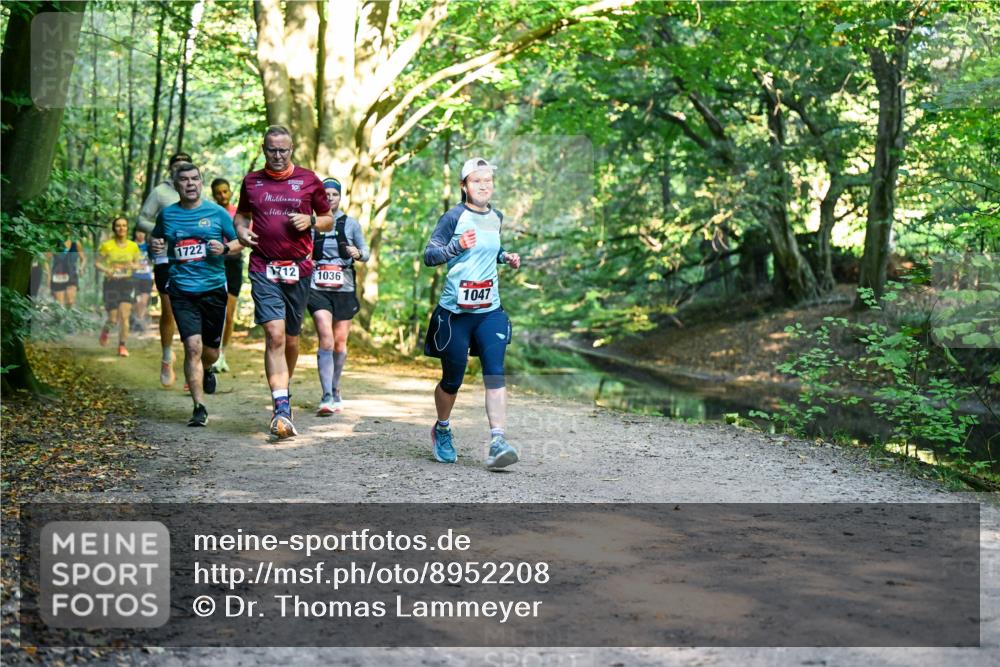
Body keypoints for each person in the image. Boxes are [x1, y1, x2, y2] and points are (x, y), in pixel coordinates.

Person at [423, 157, 522, 470]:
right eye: (477, 181)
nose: (484, 186)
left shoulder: (496, 216)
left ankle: (498, 441)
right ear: (464, 185)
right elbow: (430, 255)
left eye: (488, 180)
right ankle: (442, 428)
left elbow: (491, 250)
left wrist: (506, 257)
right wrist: (456, 247)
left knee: (495, 372)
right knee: (452, 380)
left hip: (489, 310)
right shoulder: (454, 217)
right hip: (455, 314)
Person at [234, 125, 332, 438]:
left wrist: (311, 220)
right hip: (263, 266)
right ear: (264, 150)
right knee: (274, 335)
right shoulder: (252, 181)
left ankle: (283, 389)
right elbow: (241, 215)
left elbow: (328, 219)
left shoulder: (309, 180)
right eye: (272, 150)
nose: (277, 156)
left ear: (291, 150)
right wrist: (241, 230)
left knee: (290, 339)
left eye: (283, 150)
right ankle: (281, 407)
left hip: (299, 269)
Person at [151, 163, 241, 427]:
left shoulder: (217, 213)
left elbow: (239, 242)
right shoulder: (167, 215)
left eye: (194, 179)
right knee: (192, 347)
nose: (190, 183)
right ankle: (199, 407)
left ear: (201, 183)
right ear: (176, 184)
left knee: (210, 353)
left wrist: (224, 249)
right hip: (182, 290)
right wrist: (156, 245)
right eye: (184, 179)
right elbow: (156, 241)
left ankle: (209, 368)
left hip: (213, 289)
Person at [308, 177, 369, 415]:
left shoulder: (351, 224)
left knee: (340, 342)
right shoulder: (312, 223)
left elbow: (365, 253)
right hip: (317, 287)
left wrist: (357, 253)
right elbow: (302, 250)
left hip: (344, 288)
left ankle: (335, 389)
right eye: (326, 195)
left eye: (334, 194)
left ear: (340, 197)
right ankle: (325, 396)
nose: (330, 198)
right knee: (326, 339)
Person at [138, 151, 192, 387]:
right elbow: (142, 220)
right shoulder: (160, 192)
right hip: (165, 257)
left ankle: (193, 366)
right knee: (169, 310)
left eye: (185, 165)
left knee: (192, 311)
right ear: (171, 169)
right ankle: (167, 356)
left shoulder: (197, 191)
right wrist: (161, 231)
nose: (180, 169)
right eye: (176, 166)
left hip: (192, 258)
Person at [96, 216, 142, 357]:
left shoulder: (133, 246)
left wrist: (133, 265)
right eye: (118, 225)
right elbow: (97, 263)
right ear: (114, 228)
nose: (121, 228)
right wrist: (107, 270)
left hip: (127, 283)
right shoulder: (107, 245)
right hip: (111, 283)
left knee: (124, 316)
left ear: (127, 228)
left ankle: (122, 346)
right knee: (113, 318)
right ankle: (106, 330)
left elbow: (138, 264)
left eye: (124, 225)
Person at [210, 177, 241, 373]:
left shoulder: (239, 213)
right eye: (218, 193)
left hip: (233, 264)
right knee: (215, 313)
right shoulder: (210, 213)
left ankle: (222, 355)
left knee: (229, 315)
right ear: (214, 195)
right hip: (213, 264)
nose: (222, 195)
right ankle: (210, 353)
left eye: (225, 191)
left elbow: (244, 240)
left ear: (230, 192)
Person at [48, 239, 86, 307]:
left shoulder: (76, 243)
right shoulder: (55, 243)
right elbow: (46, 259)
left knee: (70, 301)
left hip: (72, 273)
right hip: (58, 273)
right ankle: (60, 312)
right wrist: (48, 274)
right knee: (60, 304)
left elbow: (83, 258)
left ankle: (68, 312)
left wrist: (81, 267)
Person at [131, 230, 154, 331]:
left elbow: (154, 260)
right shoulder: (130, 245)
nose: (140, 234)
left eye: (143, 232)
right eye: (138, 232)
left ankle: (139, 321)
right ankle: (137, 320)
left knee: (143, 302)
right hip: (133, 276)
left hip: (146, 277)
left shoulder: (149, 246)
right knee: (136, 302)